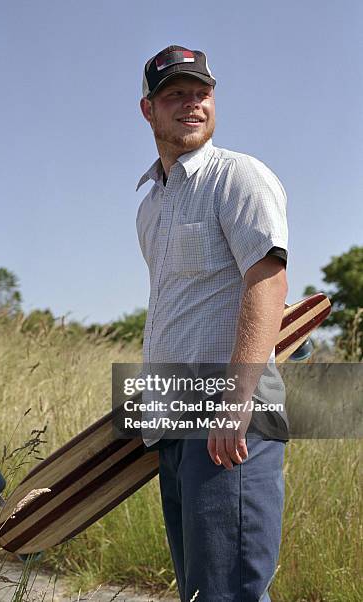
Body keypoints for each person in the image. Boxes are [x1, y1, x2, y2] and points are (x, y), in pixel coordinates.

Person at [136, 45, 289, 601]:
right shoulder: (149, 205)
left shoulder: (238, 177)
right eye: (175, 94)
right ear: (148, 110)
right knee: (202, 593)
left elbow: (267, 281)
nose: (191, 104)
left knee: (230, 593)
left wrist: (236, 399)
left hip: (229, 422)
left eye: (201, 93)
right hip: (175, 420)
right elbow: (175, 310)